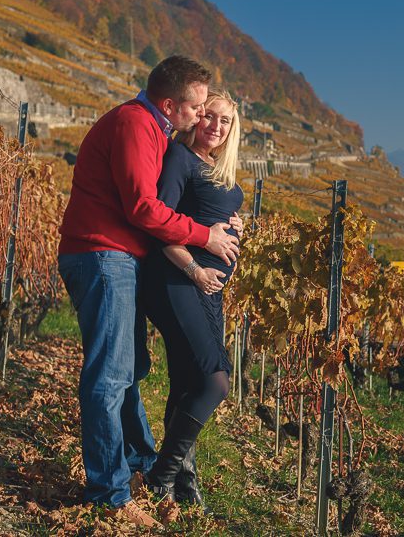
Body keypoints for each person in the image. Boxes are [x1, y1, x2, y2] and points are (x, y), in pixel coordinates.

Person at [57, 56, 240, 527]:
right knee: (110, 375)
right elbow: (143, 207)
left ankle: (138, 466)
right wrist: (206, 237)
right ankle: (109, 495)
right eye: (198, 107)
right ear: (169, 104)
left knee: (130, 368)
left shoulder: (153, 129)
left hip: (120, 259)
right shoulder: (136, 124)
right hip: (103, 256)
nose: (203, 116)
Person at [142, 89, 244, 513]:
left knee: (186, 382)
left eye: (225, 122)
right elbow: (160, 224)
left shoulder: (223, 177)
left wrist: (237, 230)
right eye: (210, 117)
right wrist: (196, 271)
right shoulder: (180, 160)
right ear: (198, 118)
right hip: (179, 280)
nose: (216, 127)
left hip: (208, 294)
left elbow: (210, 220)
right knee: (214, 381)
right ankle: (160, 475)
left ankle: (184, 479)